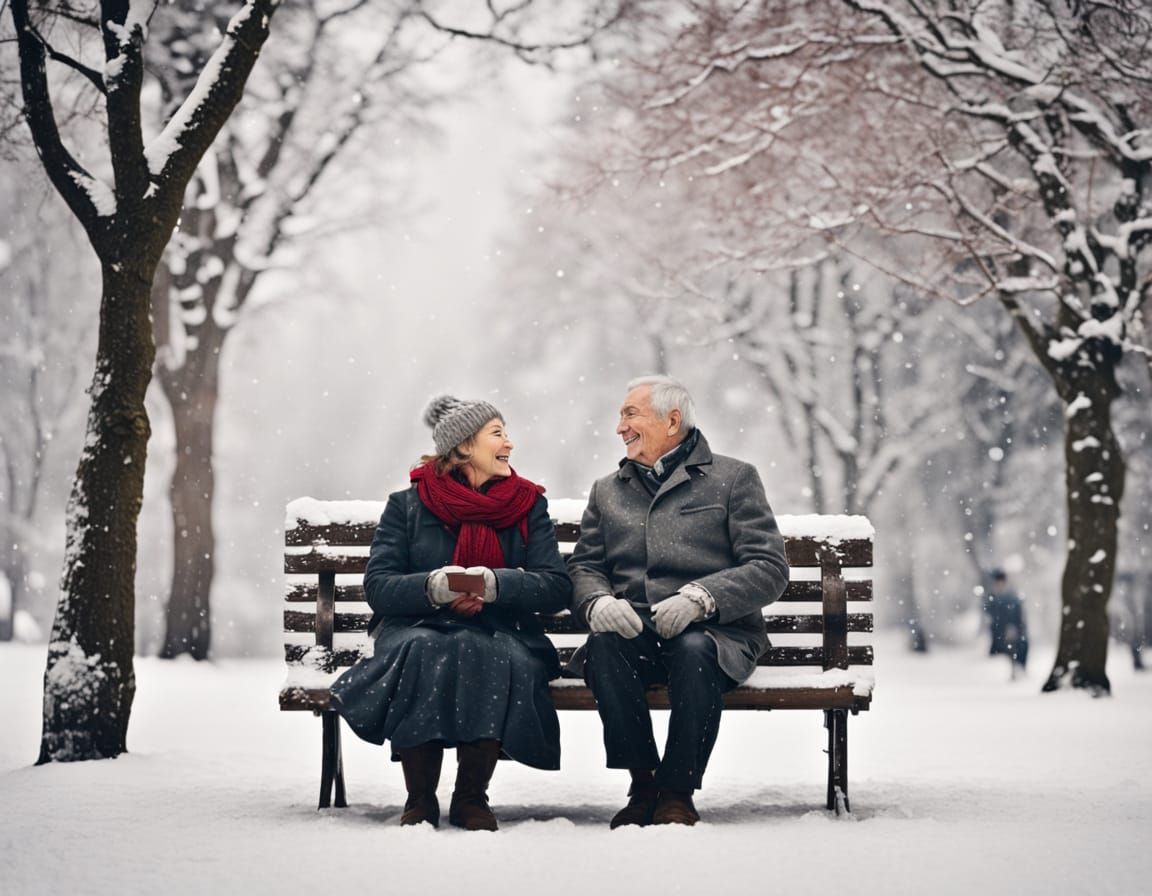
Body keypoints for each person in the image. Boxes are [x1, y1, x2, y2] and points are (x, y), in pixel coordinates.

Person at [330, 395, 571, 830]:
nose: (510, 444)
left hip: (503, 628)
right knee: (424, 648)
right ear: (463, 448)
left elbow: (555, 586)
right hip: (418, 625)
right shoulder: (406, 506)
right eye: (497, 433)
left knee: (489, 651)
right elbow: (379, 587)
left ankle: (471, 797)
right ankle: (419, 798)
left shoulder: (529, 504)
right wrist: (434, 587)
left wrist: (496, 585)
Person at [567, 375, 790, 827]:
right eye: (620, 415)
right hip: (638, 632)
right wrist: (597, 602)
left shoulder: (733, 479)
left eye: (630, 414)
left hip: (715, 634)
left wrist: (703, 597)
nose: (619, 427)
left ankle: (678, 790)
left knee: (694, 650)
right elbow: (585, 566)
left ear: (672, 421)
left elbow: (769, 567)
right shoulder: (607, 489)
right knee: (605, 647)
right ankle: (643, 784)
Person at [984, 568, 1028, 676]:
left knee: (1016, 649)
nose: (999, 584)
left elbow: (1017, 614)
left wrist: (1013, 627)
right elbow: (990, 614)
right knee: (1007, 651)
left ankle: (1017, 670)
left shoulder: (1011, 596)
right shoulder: (993, 597)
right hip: (1000, 632)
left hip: (1012, 629)